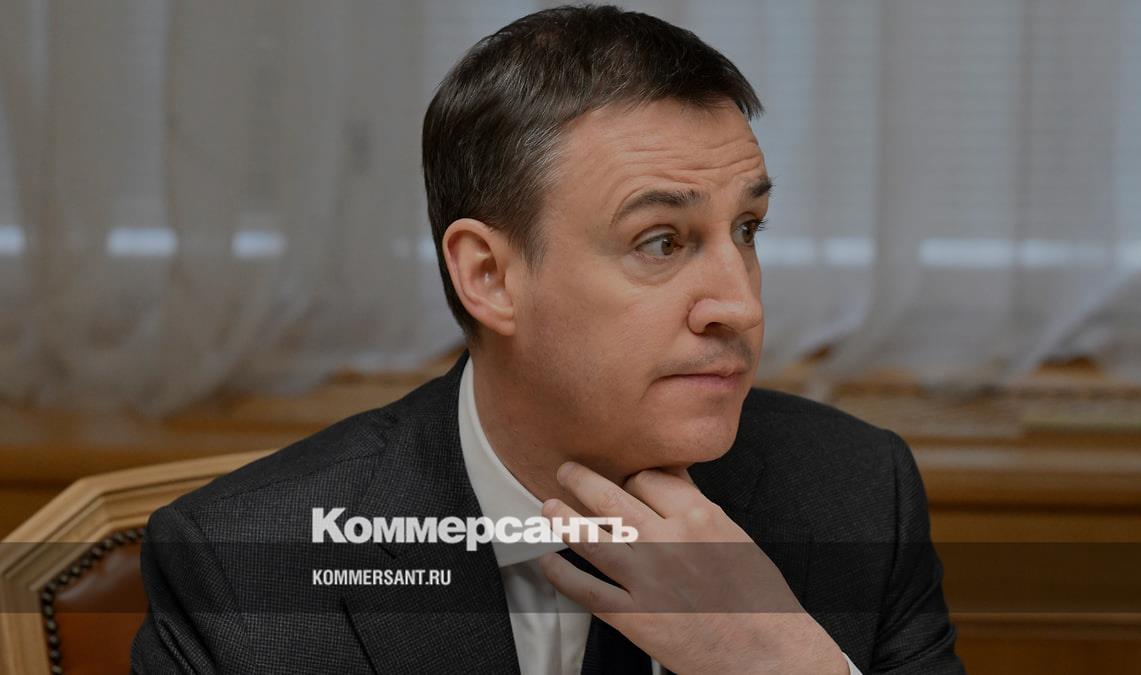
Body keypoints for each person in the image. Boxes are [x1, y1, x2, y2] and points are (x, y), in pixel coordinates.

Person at [132, 5, 963, 673]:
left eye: (747, 228)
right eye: (661, 241)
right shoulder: (251, 568)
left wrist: (779, 661)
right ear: (490, 276)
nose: (739, 304)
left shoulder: (856, 494)